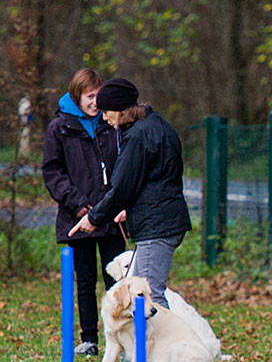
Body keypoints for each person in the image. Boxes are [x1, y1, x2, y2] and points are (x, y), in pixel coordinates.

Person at [68, 78, 191, 311]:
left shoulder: (137, 136)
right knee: (148, 292)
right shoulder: (158, 125)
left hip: (157, 226)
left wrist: (94, 219)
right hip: (165, 220)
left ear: (119, 108)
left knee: (147, 296)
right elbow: (155, 179)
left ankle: (157, 347)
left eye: (105, 111)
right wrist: (132, 207)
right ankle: (144, 347)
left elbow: (122, 188)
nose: (104, 117)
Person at [42, 68, 126, 355]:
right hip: (77, 218)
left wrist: (113, 204)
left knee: (117, 279)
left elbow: (121, 168)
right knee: (85, 280)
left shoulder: (111, 124)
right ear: (77, 96)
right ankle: (89, 338)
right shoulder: (59, 128)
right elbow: (54, 173)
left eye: (98, 96)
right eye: (90, 96)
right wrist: (78, 205)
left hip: (111, 216)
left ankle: (123, 339)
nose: (95, 102)